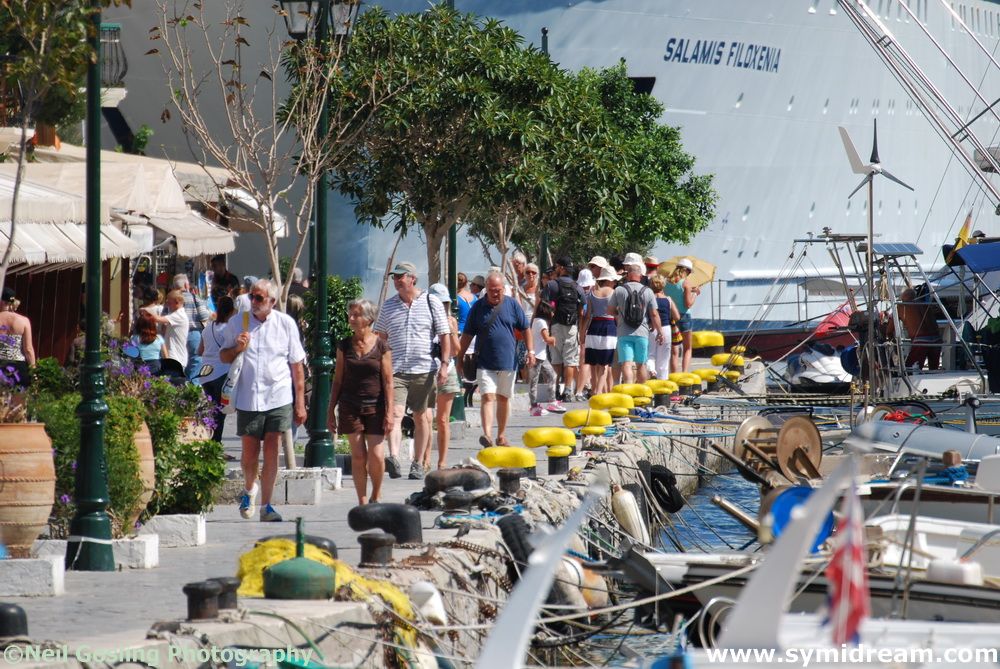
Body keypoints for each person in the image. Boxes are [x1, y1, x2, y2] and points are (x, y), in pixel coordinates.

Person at [219, 278, 307, 522]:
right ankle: (249, 489)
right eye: (251, 297)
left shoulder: (285, 324)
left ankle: (267, 505)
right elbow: (223, 357)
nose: (253, 302)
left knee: (272, 449)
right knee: (249, 453)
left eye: (258, 298)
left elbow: (297, 366)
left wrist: (300, 402)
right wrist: (237, 348)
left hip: (278, 395)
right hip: (249, 397)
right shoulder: (238, 322)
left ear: (272, 301)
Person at [373, 262, 451, 481]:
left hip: (424, 370)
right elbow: (380, 338)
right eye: (394, 277)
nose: (397, 281)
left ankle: (418, 463)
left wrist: (444, 365)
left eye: (401, 277)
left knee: (421, 417)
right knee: (396, 414)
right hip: (396, 370)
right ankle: (395, 458)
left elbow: (444, 335)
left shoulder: (431, 302)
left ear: (413, 279)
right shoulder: (388, 306)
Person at [459, 271, 534, 447]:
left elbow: (525, 328)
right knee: (487, 396)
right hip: (484, 361)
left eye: (499, 290)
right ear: (486, 289)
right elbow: (467, 335)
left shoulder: (512, 305)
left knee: (503, 398)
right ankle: (486, 434)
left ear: (503, 289)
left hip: (508, 361)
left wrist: (530, 351)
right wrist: (459, 358)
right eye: (492, 290)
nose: (495, 293)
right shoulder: (477, 307)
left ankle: (501, 435)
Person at [329, 299, 393, 505]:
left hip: (376, 405)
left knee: (376, 455)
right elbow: (337, 379)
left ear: (369, 319)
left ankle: (376, 493)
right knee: (358, 456)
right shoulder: (344, 345)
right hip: (350, 405)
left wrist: (390, 412)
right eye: (351, 314)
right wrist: (330, 410)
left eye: (356, 314)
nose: (351, 318)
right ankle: (362, 501)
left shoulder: (382, 346)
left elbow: (388, 381)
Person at [608, 258, 665, 384]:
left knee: (626, 363)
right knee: (641, 364)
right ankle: (641, 393)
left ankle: (628, 391)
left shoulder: (619, 290)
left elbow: (610, 310)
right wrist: (660, 332)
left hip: (624, 332)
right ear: (640, 276)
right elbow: (654, 314)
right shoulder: (648, 291)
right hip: (642, 332)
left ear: (628, 275)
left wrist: (621, 315)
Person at [428, 283, 461, 471]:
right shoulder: (423, 318)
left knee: (442, 419)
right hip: (426, 371)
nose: (441, 306)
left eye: (444, 303)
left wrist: (452, 331)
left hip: (447, 372)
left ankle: (441, 460)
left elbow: (456, 351)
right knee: (425, 418)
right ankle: (424, 459)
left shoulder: (451, 321)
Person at [543, 257, 585, 401]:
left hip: (555, 325)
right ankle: (568, 391)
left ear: (561, 268)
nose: (555, 269)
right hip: (572, 326)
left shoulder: (552, 285)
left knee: (556, 359)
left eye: (556, 267)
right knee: (570, 360)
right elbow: (582, 310)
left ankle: (554, 390)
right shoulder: (577, 287)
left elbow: (545, 306)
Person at [197, 295, 235, 443]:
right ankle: (215, 445)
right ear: (231, 311)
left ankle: (209, 442)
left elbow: (200, 351)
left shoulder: (208, 328)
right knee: (221, 413)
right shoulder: (229, 329)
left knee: (211, 411)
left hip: (205, 374)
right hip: (221, 373)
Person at [581, 265, 619, 395]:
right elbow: (616, 314)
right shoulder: (614, 293)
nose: (615, 282)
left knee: (593, 363)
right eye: (614, 280)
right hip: (609, 328)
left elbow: (587, 315)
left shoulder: (592, 292)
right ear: (609, 280)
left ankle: (595, 390)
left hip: (593, 328)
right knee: (605, 365)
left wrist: (582, 334)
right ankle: (598, 393)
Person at [172, 274, 211, 380]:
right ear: (186, 284)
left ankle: (178, 383)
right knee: (196, 359)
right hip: (193, 333)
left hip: (176, 333)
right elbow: (204, 316)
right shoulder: (194, 297)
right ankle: (192, 383)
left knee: (177, 359)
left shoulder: (171, 299)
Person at [665, 258, 701, 373]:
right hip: (684, 316)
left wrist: (690, 290)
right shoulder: (686, 283)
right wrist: (695, 293)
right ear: (687, 271)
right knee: (687, 348)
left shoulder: (666, 282)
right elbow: (688, 304)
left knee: (674, 349)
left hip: (670, 316)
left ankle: (674, 374)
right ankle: (684, 373)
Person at [528, 301, 561, 416]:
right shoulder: (542, 323)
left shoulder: (536, 321)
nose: (552, 314)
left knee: (551, 376)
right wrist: (554, 339)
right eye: (551, 312)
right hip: (537, 356)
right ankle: (534, 406)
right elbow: (547, 339)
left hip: (540, 356)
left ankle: (551, 401)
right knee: (535, 381)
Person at [898, 287, 942, 370]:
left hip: (921, 340)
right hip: (937, 339)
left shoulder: (902, 306)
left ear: (903, 298)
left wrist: (887, 334)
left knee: (910, 368)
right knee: (934, 369)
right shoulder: (925, 305)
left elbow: (891, 326)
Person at [147, 289, 190, 376]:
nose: (167, 305)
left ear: (177, 302)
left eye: (169, 303)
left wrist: (145, 310)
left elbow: (157, 319)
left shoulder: (179, 315)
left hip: (176, 358)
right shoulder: (175, 314)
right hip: (172, 357)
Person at [0, 286, 35, 386]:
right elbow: (28, 349)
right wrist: (34, 372)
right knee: (18, 400)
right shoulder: (23, 320)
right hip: (17, 368)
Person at [647, 274, 679, 379]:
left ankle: (652, 371)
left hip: (651, 327)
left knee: (650, 354)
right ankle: (663, 383)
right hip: (665, 328)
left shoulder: (648, 299)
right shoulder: (668, 300)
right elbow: (677, 316)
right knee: (664, 359)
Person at [130, 311, 166, 376]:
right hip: (156, 366)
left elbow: (131, 355)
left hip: (140, 367)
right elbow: (165, 356)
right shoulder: (159, 338)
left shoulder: (135, 338)